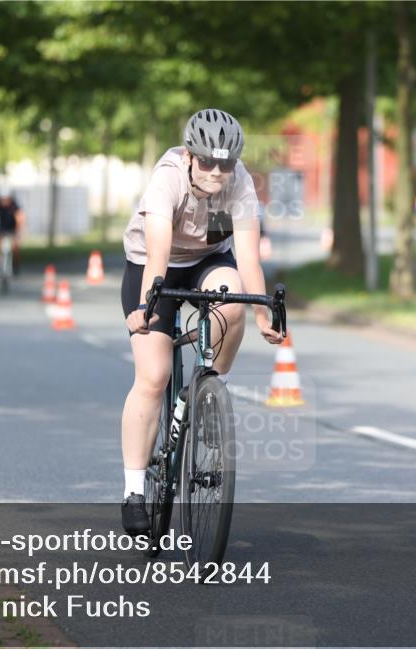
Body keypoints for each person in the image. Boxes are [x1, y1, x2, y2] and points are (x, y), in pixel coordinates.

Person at [119, 108, 284, 535]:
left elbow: (247, 256)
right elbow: (157, 252)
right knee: (153, 376)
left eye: (225, 163)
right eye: (207, 161)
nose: (216, 171)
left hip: (207, 262)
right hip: (153, 266)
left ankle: (214, 387)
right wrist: (146, 307)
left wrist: (264, 313)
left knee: (232, 303)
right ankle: (134, 490)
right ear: (190, 156)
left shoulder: (240, 182)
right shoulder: (168, 178)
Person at [0, 190, 24, 274]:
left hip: (12, 230)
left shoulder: (14, 206)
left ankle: (16, 265)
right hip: (1, 231)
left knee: (15, 247)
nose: (4, 201)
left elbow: (20, 218)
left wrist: (18, 232)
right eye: (2, 199)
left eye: (6, 199)